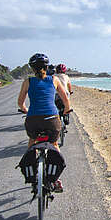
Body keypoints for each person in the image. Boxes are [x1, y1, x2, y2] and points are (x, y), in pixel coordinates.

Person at [17, 53, 70, 192]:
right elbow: (65, 99)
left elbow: (20, 103)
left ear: (32, 68)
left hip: (33, 120)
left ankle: (33, 173)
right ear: (47, 67)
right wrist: (66, 110)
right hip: (51, 120)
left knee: (32, 142)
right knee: (54, 144)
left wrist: (25, 110)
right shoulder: (54, 80)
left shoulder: (28, 82)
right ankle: (56, 179)